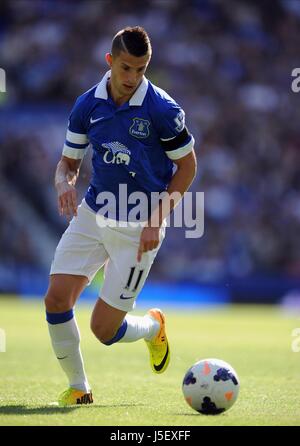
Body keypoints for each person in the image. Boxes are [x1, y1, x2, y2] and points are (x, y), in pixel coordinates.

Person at [44, 26, 197, 406]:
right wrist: (63, 183)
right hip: (94, 214)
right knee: (56, 300)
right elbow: (67, 164)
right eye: (126, 68)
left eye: (141, 70)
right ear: (110, 62)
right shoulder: (86, 105)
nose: (132, 78)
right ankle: (80, 389)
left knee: (103, 329)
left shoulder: (162, 110)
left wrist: (156, 219)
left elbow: (188, 168)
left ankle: (151, 328)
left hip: (139, 226)